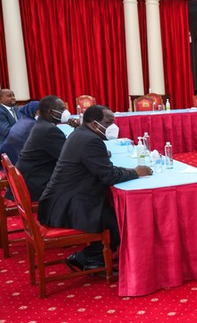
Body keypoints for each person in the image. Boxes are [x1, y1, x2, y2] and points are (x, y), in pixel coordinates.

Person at [38, 105, 152, 271]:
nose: (112, 127)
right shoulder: (90, 140)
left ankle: (94, 255)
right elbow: (109, 176)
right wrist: (135, 172)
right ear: (93, 123)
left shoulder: (81, 134)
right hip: (69, 205)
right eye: (108, 123)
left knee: (113, 211)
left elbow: (104, 169)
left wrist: (127, 171)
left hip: (62, 198)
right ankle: (88, 258)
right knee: (121, 220)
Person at [0, 100, 39, 164]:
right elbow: (6, 131)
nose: (12, 98)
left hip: (14, 151)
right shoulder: (30, 124)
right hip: (8, 148)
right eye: (9, 96)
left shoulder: (18, 112)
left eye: (13, 95)